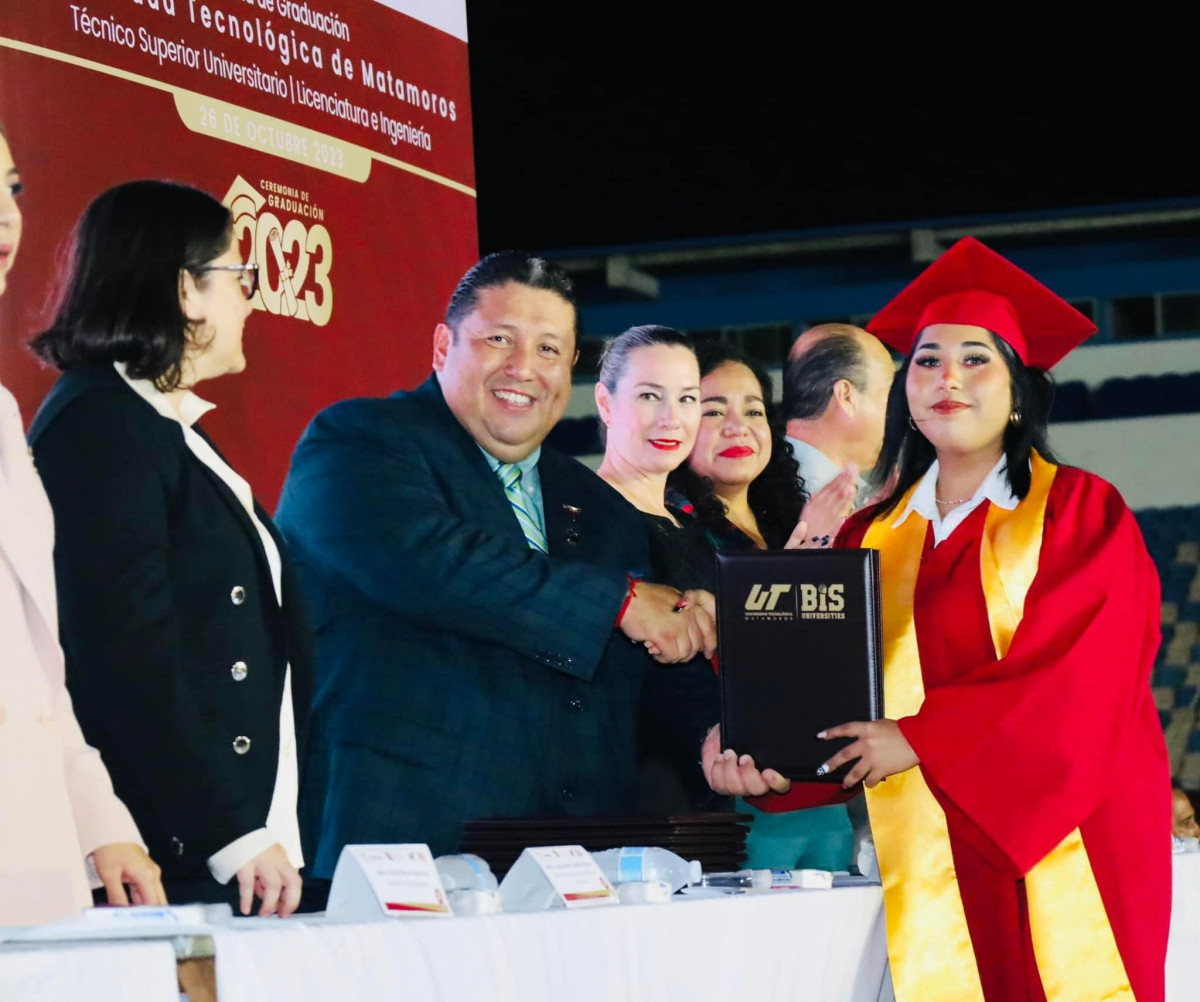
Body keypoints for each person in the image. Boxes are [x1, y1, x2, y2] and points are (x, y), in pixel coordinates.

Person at [708, 236, 1171, 1002]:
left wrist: (922, 738)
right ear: (905, 394)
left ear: (1019, 390)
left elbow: (1082, 676)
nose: (946, 377)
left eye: (974, 358)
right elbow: (829, 697)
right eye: (926, 360)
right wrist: (763, 758)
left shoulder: (1080, 511)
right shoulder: (871, 537)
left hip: (1072, 838)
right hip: (930, 845)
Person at [275, 253, 716, 872]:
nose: (523, 368)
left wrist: (711, 737)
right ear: (442, 346)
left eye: (548, 349)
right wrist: (620, 603)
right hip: (401, 849)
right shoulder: (358, 441)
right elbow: (439, 567)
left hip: (575, 865)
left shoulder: (599, 505)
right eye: (499, 340)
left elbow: (636, 672)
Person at [28, 180, 313, 917]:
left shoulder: (158, 421)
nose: (251, 300)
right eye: (240, 276)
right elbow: (125, 655)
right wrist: (227, 828)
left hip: (223, 844)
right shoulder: (101, 426)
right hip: (175, 854)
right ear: (186, 290)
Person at [0, 128, 165, 923]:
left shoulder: (3, 412)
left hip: (32, 842)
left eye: (11, 189)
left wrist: (100, 819)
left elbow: (35, 658)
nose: (5, 218)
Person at [666, 342, 857, 868]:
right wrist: (804, 563)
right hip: (739, 799)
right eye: (713, 412)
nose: (738, 427)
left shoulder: (788, 522)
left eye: (753, 411)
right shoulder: (668, 532)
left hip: (826, 792)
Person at [782, 323, 895, 504]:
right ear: (846, 396)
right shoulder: (811, 498)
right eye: (889, 395)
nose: (897, 413)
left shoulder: (763, 475)